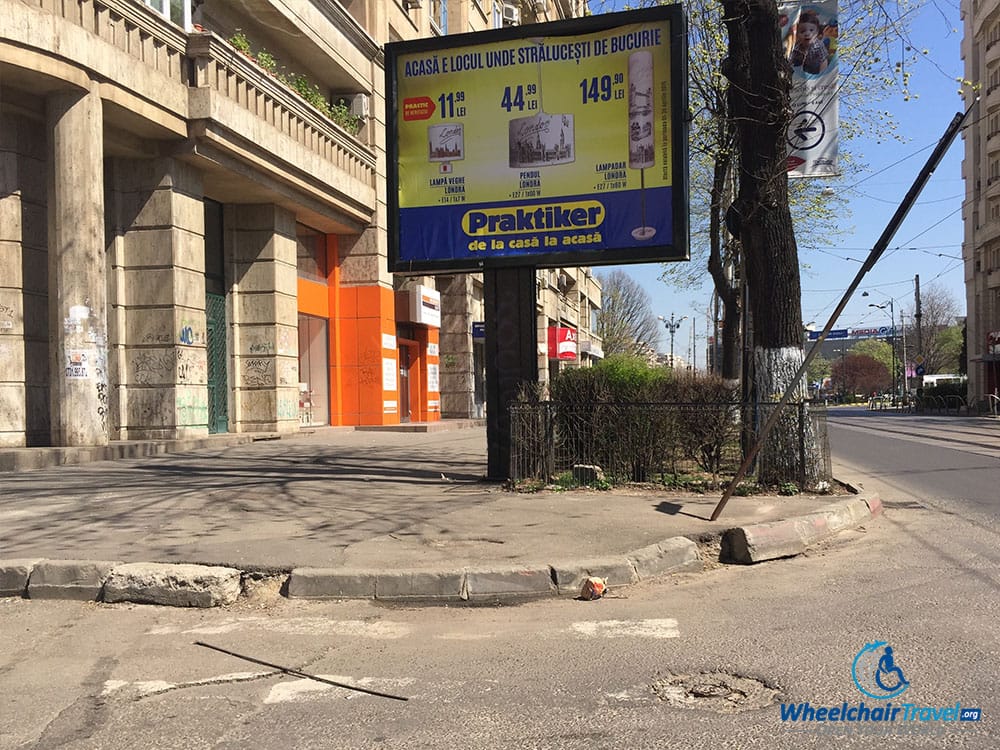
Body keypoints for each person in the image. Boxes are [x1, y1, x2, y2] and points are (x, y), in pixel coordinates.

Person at [789, 10, 829, 75]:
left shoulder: (819, 46)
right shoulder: (797, 46)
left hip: (816, 66)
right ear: (797, 34)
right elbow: (791, 58)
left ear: (817, 32)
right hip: (804, 65)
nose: (807, 34)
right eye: (802, 31)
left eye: (811, 30)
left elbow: (823, 61)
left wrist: (822, 74)